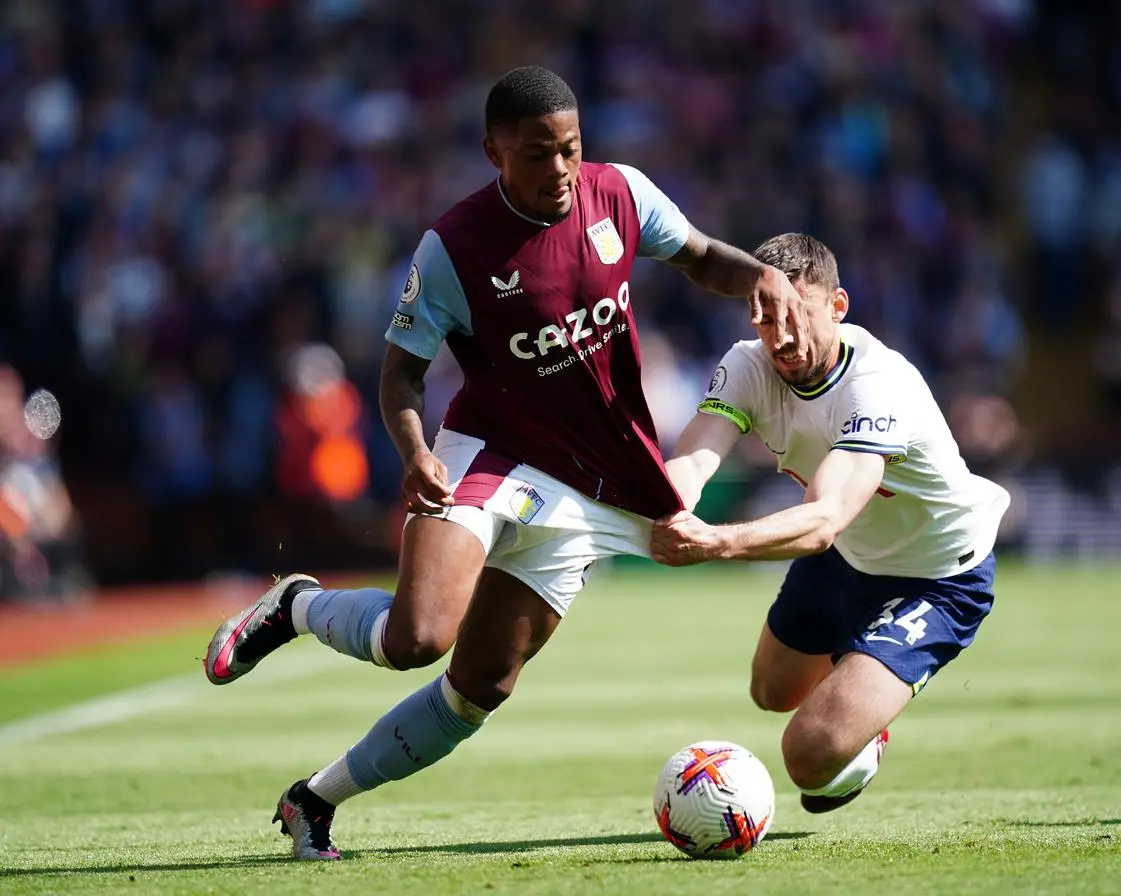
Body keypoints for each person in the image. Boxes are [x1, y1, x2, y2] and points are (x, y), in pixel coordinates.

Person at [201, 66, 811, 860]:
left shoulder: (619, 194)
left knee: (479, 687)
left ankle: (313, 800)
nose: (559, 170)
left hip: (598, 476)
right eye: (536, 154)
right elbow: (400, 374)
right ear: (494, 152)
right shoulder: (454, 248)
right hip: (491, 456)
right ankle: (297, 606)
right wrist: (417, 452)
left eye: (569, 149)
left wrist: (761, 274)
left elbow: (698, 256)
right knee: (415, 639)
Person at [650, 232, 1009, 814]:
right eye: (765, 318)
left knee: (810, 755)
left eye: (797, 315)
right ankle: (858, 678)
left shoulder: (878, 383)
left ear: (837, 307)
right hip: (849, 558)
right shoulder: (747, 364)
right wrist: (670, 506)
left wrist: (717, 541)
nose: (781, 336)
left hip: (937, 577)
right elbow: (695, 459)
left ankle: (865, 710)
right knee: (770, 692)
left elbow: (823, 521)